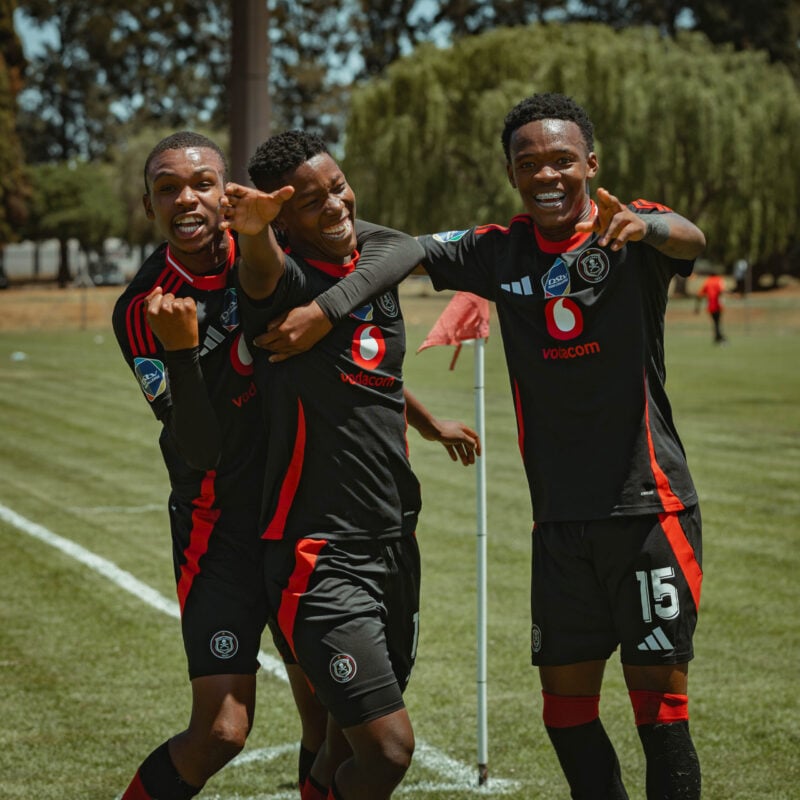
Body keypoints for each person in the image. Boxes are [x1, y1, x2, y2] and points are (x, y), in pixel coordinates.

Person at [111, 131, 453, 800]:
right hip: (220, 528)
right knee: (222, 731)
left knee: (326, 720)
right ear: (149, 206)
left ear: (228, 193)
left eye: (202, 183)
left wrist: (414, 410)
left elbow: (392, 251)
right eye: (167, 189)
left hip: (301, 516)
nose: (187, 199)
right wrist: (180, 352)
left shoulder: (271, 244)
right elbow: (199, 448)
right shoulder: (144, 307)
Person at [413, 93, 706, 799]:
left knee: (660, 718)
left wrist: (646, 225)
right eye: (529, 164)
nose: (547, 175)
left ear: (591, 164)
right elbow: (407, 249)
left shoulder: (626, 229)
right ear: (512, 173)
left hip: (648, 511)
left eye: (562, 160)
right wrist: (313, 226)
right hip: (559, 522)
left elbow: (689, 238)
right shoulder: (499, 249)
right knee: (565, 715)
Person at [218, 130, 480, 800]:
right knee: (388, 751)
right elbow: (259, 270)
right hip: (319, 554)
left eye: (337, 188)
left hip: (394, 539)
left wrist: (428, 423)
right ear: (284, 221)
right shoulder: (282, 281)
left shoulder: (370, 269)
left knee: (342, 743)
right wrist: (256, 232)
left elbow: (403, 262)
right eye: (311, 202)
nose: (335, 205)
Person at [696, 270, 727, 343]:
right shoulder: (719, 280)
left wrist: (697, 307)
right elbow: (721, 291)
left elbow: (699, 294)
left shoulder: (707, 281)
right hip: (718, 304)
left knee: (715, 322)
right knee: (717, 321)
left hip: (710, 305)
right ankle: (719, 337)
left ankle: (718, 336)